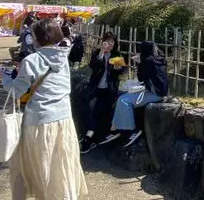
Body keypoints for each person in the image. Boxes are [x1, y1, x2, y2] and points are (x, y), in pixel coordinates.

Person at [10, 19, 88, 200]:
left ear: (39, 37)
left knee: (42, 171)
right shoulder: (63, 57)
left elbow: (15, 92)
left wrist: (7, 78)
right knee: (61, 169)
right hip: (64, 120)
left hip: (39, 123)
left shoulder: (32, 60)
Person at [110, 41, 169, 148]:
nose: (109, 44)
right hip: (159, 90)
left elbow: (140, 76)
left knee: (123, 99)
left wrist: (139, 62)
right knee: (120, 97)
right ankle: (117, 128)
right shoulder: (159, 58)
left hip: (155, 93)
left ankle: (131, 130)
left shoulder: (146, 61)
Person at [79, 32, 127, 154]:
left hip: (109, 89)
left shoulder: (116, 55)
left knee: (99, 111)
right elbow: (93, 67)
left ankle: (88, 138)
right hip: (96, 87)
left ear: (115, 43)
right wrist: (101, 52)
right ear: (103, 42)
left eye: (112, 42)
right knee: (89, 109)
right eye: (108, 41)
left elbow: (123, 71)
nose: (110, 44)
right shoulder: (97, 53)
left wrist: (119, 69)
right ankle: (88, 136)